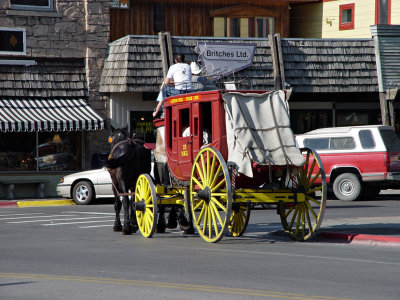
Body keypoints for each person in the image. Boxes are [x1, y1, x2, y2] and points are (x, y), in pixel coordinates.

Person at [153, 54, 193, 118]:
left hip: (180, 91)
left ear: (175, 61)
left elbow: (166, 82)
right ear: (184, 60)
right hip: (190, 91)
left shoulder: (173, 67)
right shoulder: (188, 66)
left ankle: (165, 112)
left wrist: (173, 83)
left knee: (164, 89)